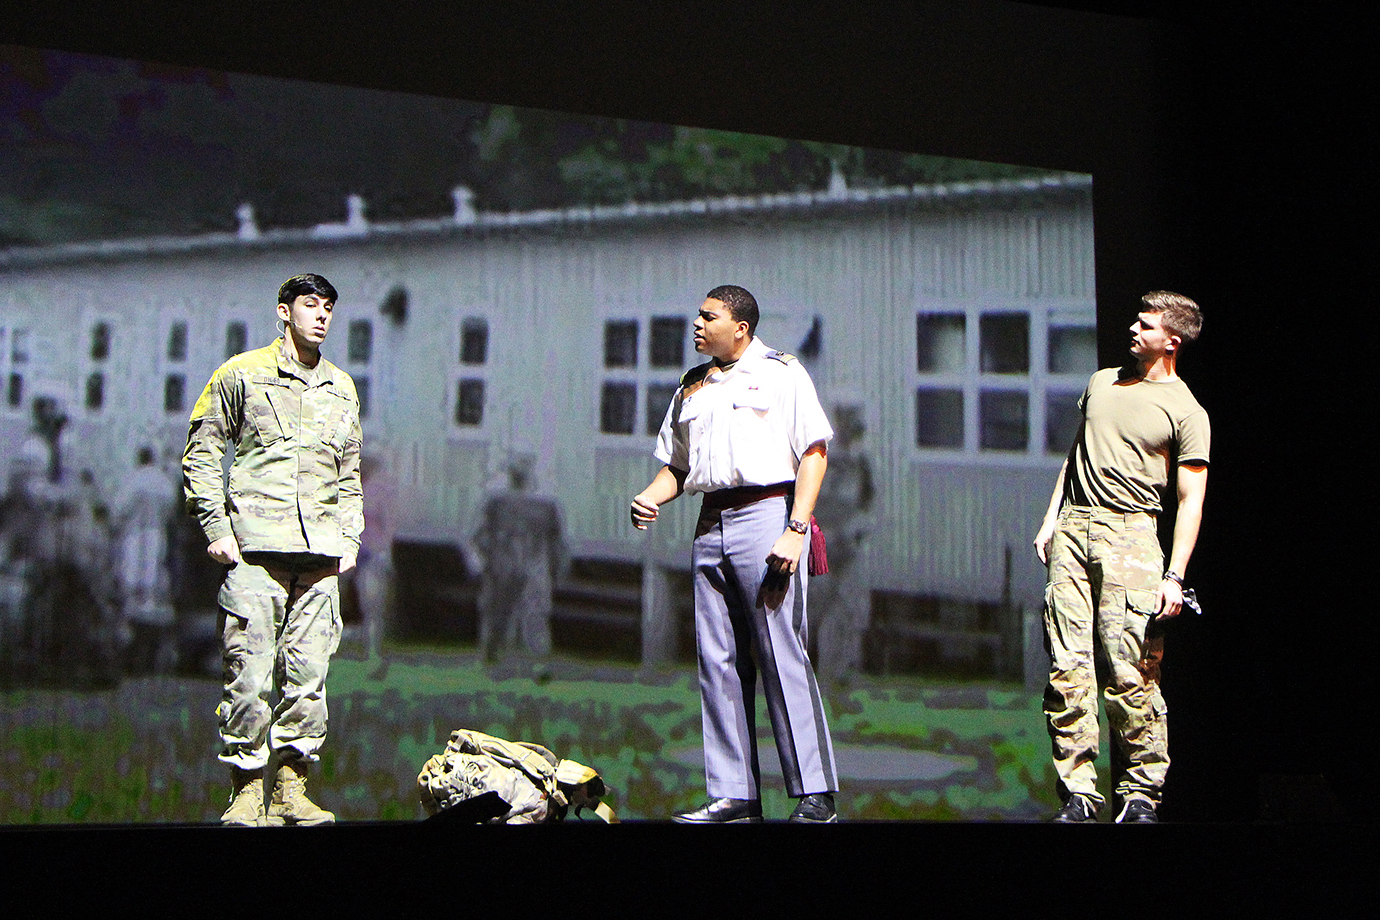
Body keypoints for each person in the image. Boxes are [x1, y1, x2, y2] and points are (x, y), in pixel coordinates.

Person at [631, 284, 840, 823]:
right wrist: (652, 496)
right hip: (710, 523)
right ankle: (735, 795)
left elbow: (813, 453)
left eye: (709, 316)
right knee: (717, 660)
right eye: (698, 315)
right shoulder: (692, 386)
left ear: (740, 327)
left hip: (767, 513)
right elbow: (678, 465)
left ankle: (815, 794)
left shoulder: (780, 372)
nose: (697, 324)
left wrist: (796, 527)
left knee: (779, 650)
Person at [183, 273, 363, 826]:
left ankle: (290, 789)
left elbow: (350, 471)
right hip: (256, 552)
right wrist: (216, 527)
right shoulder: (241, 374)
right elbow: (201, 453)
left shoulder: (341, 388)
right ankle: (244, 792)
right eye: (311, 304)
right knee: (249, 677)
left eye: (329, 307)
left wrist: (350, 537)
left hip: (320, 559)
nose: (322, 315)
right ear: (284, 311)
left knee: (308, 681)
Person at [1032, 291, 1209, 824]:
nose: (1133, 327)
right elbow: (1075, 453)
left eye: (1146, 323)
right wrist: (1050, 520)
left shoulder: (1186, 409)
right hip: (1074, 529)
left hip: (1133, 536)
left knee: (1130, 670)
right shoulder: (1103, 381)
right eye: (1136, 317)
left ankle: (1140, 792)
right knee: (1068, 667)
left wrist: (1174, 575)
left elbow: (1190, 498)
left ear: (1170, 341)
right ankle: (1081, 792)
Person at [473, 455, 567, 666]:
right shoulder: (544, 506)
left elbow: (481, 536)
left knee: (501, 612)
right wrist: (556, 567)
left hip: (505, 563)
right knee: (532, 613)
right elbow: (556, 543)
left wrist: (487, 558)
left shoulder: (497, 503)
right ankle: (537, 659)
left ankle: (495, 655)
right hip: (531, 564)